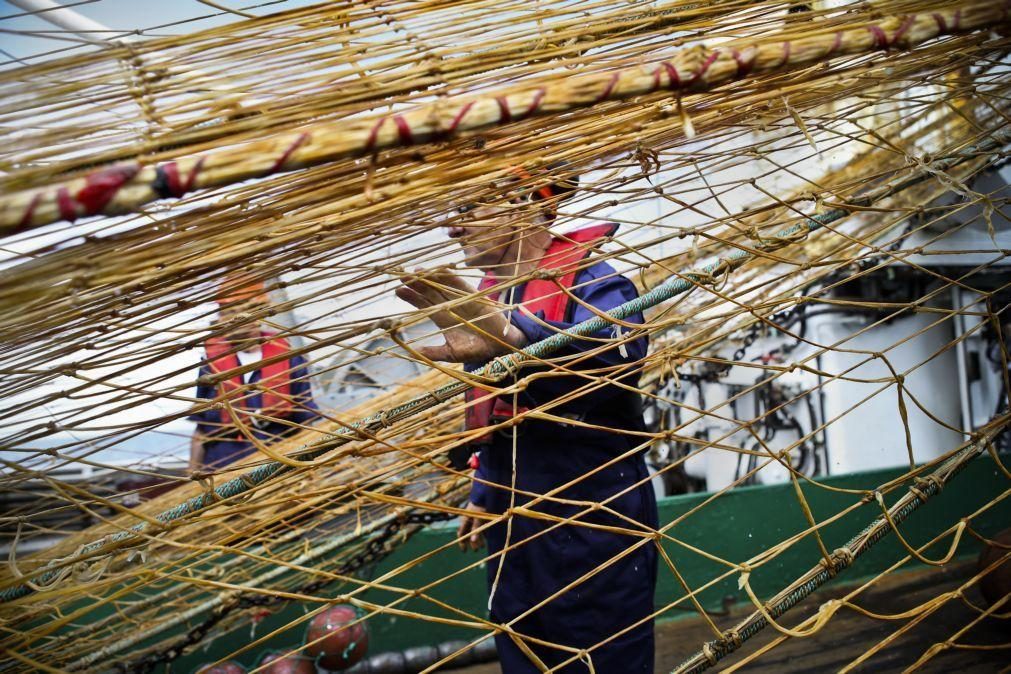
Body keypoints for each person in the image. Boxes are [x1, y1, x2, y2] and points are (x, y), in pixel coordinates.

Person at [396, 166, 657, 673]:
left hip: (592, 520)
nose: (453, 227)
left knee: (602, 658)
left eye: (468, 210)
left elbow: (619, 355)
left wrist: (519, 340)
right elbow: (500, 418)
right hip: (514, 528)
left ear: (522, 206)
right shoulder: (489, 299)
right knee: (523, 652)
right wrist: (483, 489)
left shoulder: (595, 283)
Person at [189, 280, 318, 472]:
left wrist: (307, 467)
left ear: (258, 313)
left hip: (275, 461)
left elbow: (306, 420)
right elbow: (201, 429)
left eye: (235, 311)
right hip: (223, 465)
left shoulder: (289, 360)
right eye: (225, 312)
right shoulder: (211, 365)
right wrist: (192, 472)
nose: (229, 319)